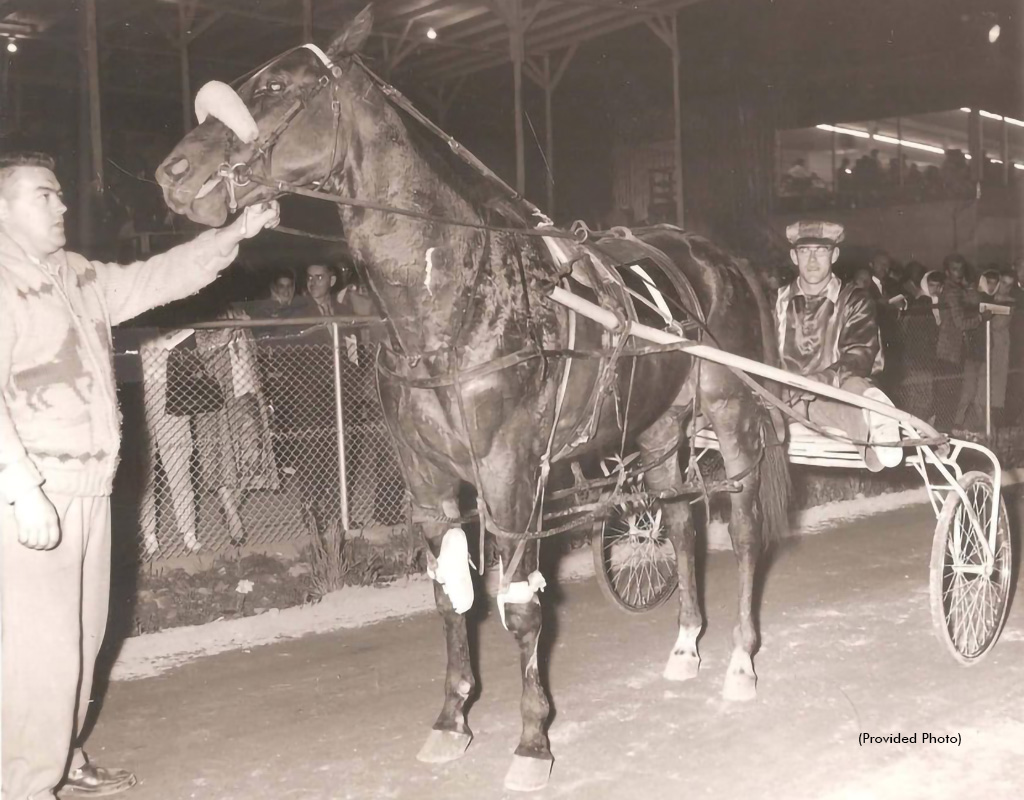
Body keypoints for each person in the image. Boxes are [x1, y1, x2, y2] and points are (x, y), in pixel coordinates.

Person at [0, 151, 280, 800]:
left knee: (81, 641)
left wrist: (230, 234)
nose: (63, 206)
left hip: (90, 487)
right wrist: (18, 488)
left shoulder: (74, 275)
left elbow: (156, 278)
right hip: (33, 494)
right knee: (39, 653)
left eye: (60, 194)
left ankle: (59, 760)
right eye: (45, 195)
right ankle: (22, 785)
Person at [774, 220, 902, 471]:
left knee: (855, 389)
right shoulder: (775, 300)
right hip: (784, 397)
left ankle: (877, 416)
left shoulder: (855, 300)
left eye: (821, 251)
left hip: (833, 395)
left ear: (834, 255)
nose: (812, 260)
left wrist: (822, 379)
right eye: (804, 251)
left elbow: (860, 353)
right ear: (793, 256)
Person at [934, 254, 980, 431]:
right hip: (948, 350)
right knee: (947, 397)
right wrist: (980, 318)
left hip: (956, 351)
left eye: (961, 268)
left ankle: (944, 434)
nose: (959, 272)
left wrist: (968, 287)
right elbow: (960, 322)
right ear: (947, 271)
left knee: (952, 395)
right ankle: (941, 435)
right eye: (954, 269)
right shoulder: (952, 291)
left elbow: (974, 299)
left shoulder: (958, 288)